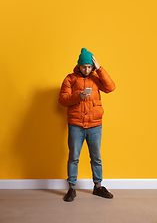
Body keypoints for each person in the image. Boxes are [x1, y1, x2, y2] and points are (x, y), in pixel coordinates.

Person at [59, 48, 116, 202]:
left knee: (96, 157)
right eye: (84, 66)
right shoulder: (70, 79)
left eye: (89, 66)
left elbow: (111, 87)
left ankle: (98, 187)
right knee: (73, 157)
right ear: (79, 66)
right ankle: (71, 188)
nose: (87, 69)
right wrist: (78, 96)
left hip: (95, 125)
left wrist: (99, 68)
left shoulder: (97, 78)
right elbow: (63, 100)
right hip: (76, 125)